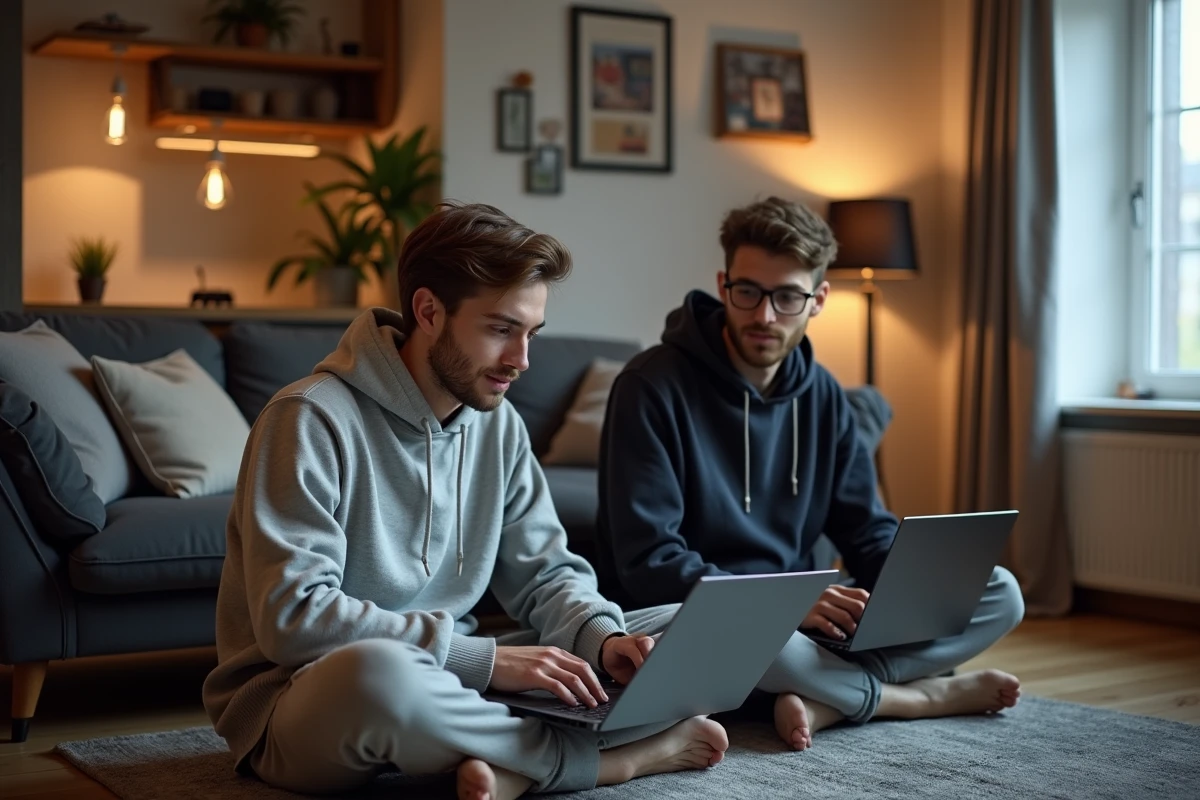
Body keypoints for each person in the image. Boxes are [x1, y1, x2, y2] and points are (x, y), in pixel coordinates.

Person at [202, 202, 730, 800]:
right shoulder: (307, 418)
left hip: (450, 681)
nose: (521, 360)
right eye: (501, 329)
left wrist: (603, 640)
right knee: (378, 672)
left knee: (690, 626)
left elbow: (547, 574)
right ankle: (608, 761)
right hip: (303, 701)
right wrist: (484, 661)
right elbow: (294, 619)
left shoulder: (498, 425)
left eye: (531, 334)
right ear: (429, 311)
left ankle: (504, 758)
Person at [596, 196, 1026, 751]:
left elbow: (865, 530)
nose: (764, 316)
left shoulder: (824, 395)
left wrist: (912, 583)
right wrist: (784, 607)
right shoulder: (649, 387)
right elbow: (648, 561)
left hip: (806, 619)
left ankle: (822, 693)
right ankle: (909, 698)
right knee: (770, 643)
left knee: (1000, 592)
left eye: (787, 297)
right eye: (748, 292)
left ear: (818, 299)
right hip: (697, 614)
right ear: (724, 284)